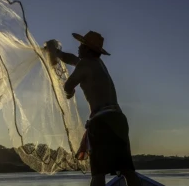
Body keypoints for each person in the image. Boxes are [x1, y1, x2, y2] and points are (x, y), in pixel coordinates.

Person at [50, 31, 142, 186]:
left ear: (87, 49)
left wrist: (69, 93)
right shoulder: (97, 63)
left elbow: (68, 85)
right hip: (118, 119)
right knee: (127, 170)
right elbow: (72, 59)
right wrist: (57, 53)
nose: (78, 47)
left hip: (102, 121)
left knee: (98, 173)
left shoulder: (85, 64)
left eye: (81, 45)